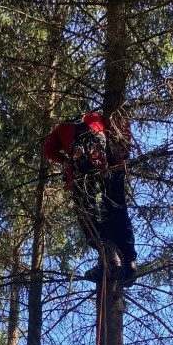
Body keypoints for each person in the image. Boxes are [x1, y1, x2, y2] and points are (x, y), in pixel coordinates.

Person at [43, 111, 137, 283]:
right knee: (117, 207)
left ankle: (109, 256)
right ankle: (129, 263)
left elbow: (48, 150)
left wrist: (66, 162)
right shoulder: (97, 117)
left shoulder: (61, 128)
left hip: (81, 172)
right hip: (108, 162)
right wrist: (122, 156)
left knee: (87, 214)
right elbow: (122, 125)